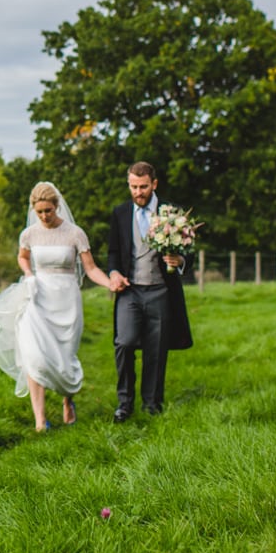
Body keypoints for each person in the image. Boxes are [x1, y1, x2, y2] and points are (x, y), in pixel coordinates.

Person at [0, 181, 119, 433]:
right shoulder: (28, 234)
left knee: (63, 358)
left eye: (48, 211)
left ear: (57, 206)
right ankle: (40, 420)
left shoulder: (75, 233)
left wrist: (110, 284)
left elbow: (91, 268)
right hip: (37, 298)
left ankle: (67, 399)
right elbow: (23, 256)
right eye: (39, 212)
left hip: (66, 300)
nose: (44, 216)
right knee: (34, 355)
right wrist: (28, 274)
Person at [105, 161, 193, 422]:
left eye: (143, 187)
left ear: (154, 184)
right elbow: (112, 252)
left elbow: (189, 252)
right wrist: (113, 273)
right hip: (130, 291)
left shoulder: (172, 214)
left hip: (160, 291)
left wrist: (180, 262)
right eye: (133, 187)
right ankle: (124, 403)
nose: (138, 192)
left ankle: (152, 404)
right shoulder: (120, 213)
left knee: (157, 348)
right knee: (125, 342)